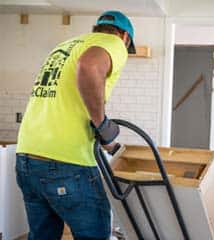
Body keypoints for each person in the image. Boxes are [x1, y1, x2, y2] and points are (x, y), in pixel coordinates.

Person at [15, 10, 135, 240]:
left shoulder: (65, 46)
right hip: (67, 162)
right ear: (125, 37)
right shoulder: (114, 43)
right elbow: (90, 66)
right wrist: (102, 126)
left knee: (42, 236)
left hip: (27, 158)